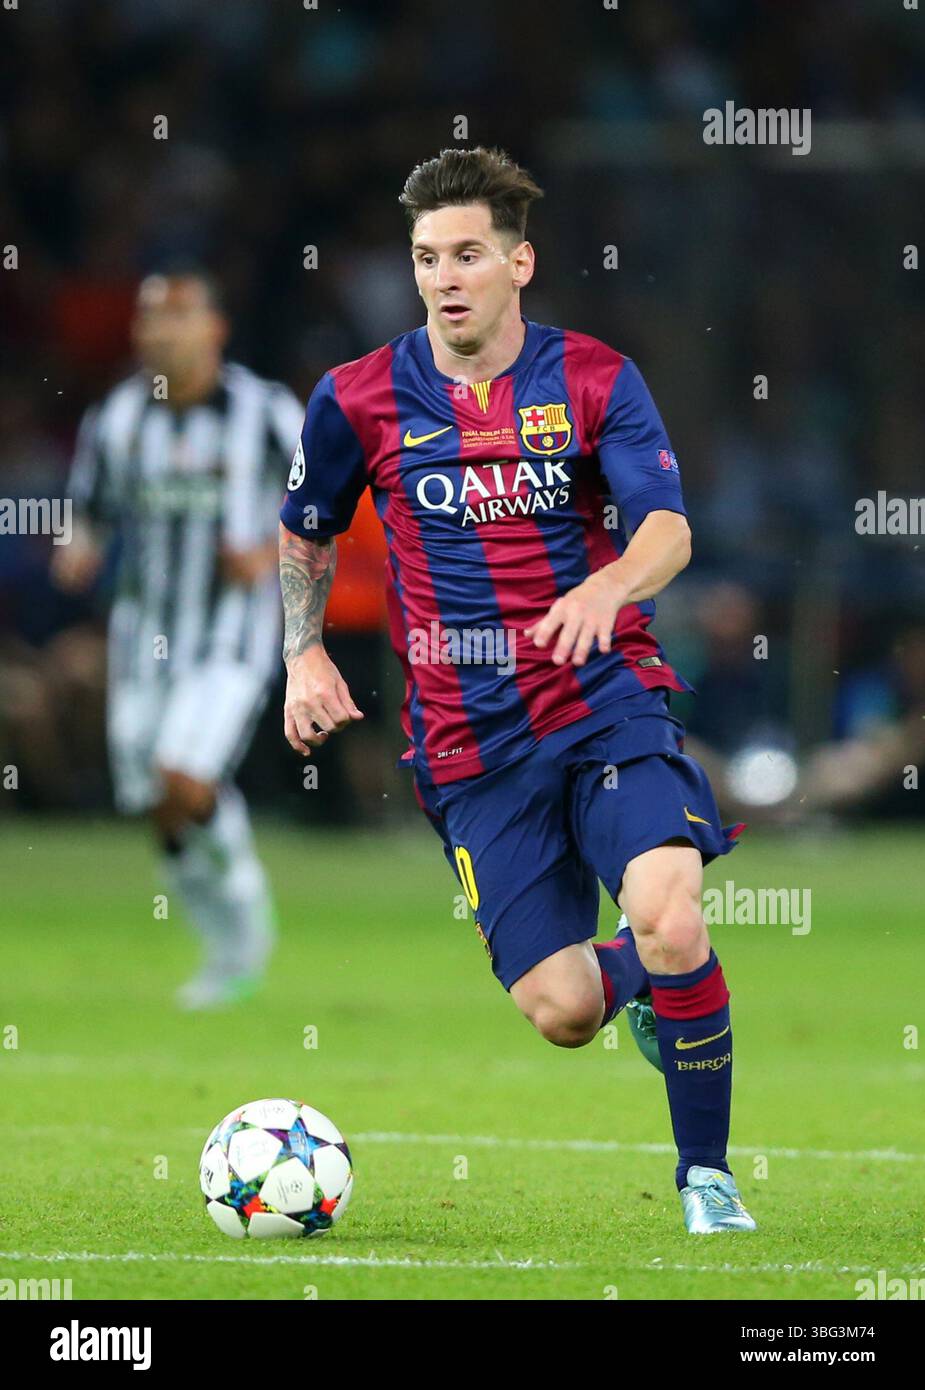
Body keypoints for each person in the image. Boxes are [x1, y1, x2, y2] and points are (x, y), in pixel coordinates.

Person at [278, 148, 755, 1234]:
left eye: (468, 255)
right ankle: (643, 985)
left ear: (519, 262)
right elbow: (304, 528)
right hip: (468, 748)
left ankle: (707, 1179)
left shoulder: (592, 378)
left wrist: (609, 583)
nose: (445, 278)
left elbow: (669, 530)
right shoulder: (355, 398)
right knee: (565, 1011)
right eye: (425, 259)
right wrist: (303, 652)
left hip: (603, 704)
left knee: (670, 913)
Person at [53, 270, 303, 1009]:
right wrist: (77, 549)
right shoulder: (119, 419)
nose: (162, 331)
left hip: (231, 633)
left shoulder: (263, 411)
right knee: (157, 802)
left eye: (179, 316)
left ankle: (246, 920)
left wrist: (266, 554)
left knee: (186, 776)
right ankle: (220, 945)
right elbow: (88, 513)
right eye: (150, 319)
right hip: (143, 640)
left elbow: (330, 494)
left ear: (214, 329)